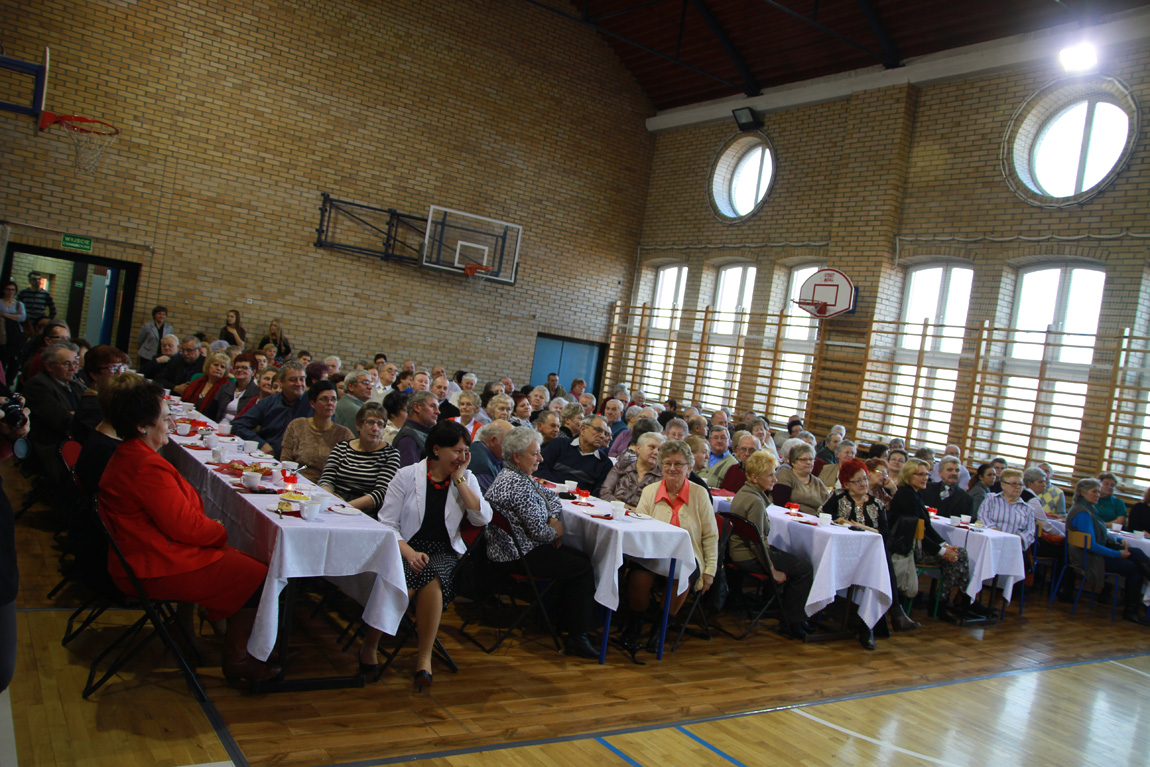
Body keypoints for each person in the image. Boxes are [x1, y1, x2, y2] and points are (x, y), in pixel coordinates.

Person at [97, 375, 278, 682]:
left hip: (142, 553)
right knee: (260, 576)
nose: (171, 423)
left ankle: (200, 627)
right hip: (151, 565)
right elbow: (187, 528)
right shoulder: (146, 466)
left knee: (245, 561)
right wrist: (219, 530)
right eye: (165, 418)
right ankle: (237, 660)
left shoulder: (132, 454)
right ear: (142, 426)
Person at [368, 421, 491, 689]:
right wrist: (409, 552)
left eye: (466, 451)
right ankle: (370, 645)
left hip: (443, 550)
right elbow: (387, 524)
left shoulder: (466, 478)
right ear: (436, 449)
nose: (462, 457)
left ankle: (424, 658)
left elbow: (482, 518)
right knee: (404, 575)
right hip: (405, 545)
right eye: (457, 451)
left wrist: (459, 480)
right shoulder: (406, 475)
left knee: (433, 576)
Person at [483, 426, 599, 658]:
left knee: (579, 559)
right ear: (517, 456)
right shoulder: (517, 484)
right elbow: (539, 532)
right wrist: (555, 533)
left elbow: (551, 497)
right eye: (535, 453)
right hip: (516, 555)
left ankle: (562, 622)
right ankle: (577, 635)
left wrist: (554, 519)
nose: (541, 458)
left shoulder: (515, 474)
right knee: (584, 566)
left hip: (514, 548)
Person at [621, 440, 718, 651]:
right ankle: (634, 625)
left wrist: (710, 571)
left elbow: (711, 536)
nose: (672, 468)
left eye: (678, 464)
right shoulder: (650, 491)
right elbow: (639, 527)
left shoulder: (700, 494)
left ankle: (660, 629)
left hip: (688, 556)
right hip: (653, 553)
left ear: (688, 468)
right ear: (661, 466)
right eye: (667, 463)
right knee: (639, 578)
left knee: (680, 577)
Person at [823, 458, 920, 647]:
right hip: (842, 554)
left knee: (876, 570)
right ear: (846, 484)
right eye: (858, 481)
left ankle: (867, 628)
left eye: (865, 479)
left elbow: (884, 534)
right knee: (881, 565)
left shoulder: (877, 504)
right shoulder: (838, 497)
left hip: (867, 556)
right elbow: (825, 515)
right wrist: (843, 522)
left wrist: (861, 527)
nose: (863, 484)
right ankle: (896, 612)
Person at [728, 449, 814, 640]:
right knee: (805, 568)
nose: (775, 479)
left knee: (790, 559)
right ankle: (793, 621)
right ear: (754, 477)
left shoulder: (744, 492)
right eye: (770, 475)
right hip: (748, 556)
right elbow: (757, 542)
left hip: (739, 553)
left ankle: (783, 610)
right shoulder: (755, 501)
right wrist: (772, 569)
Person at [887, 458, 972, 622]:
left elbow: (928, 528)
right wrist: (942, 551)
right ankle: (947, 604)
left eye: (926, 474)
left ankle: (950, 602)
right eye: (920, 474)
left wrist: (946, 546)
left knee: (957, 554)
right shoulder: (906, 495)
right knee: (958, 557)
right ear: (909, 475)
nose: (925, 478)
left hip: (916, 544)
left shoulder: (915, 494)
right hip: (906, 548)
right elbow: (915, 533)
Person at [1065, 477, 1150, 624]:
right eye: (1094, 492)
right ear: (1082, 492)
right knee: (1134, 569)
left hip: (1091, 554)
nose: (1098, 495)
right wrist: (1117, 554)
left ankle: (1132, 611)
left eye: (1099, 492)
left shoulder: (1088, 509)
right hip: (1089, 558)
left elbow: (1099, 534)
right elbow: (1091, 545)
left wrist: (1117, 541)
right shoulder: (1083, 513)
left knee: (1135, 551)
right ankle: (1131, 612)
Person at [318, 402, 400, 517]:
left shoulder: (390, 454)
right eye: (370, 422)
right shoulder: (342, 448)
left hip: (364, 511)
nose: (375, 428)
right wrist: (331, 501)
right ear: (358, 425)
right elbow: (326, 480)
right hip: (334, 503)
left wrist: (346, 506)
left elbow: (381, 493)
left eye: (380, 424)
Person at [231, 361, 314, 458]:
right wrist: (261, 444)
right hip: (267, 458)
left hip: (299, 460)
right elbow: (237, 425)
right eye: (293, 380)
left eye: (302, 379)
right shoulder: (268, 403)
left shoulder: (313, 405)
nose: (299, 383)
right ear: (281, 382)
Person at [25, 341, 85, 473]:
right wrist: (78, 416)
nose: (73, 369)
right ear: (49, 366)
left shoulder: (75, 384)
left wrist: (76, 415)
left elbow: (89, 411)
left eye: (75, 363)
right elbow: (63, 420)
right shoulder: (38, 385)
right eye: (67, 364)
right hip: (53, 447)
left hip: (74, 439)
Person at [280, 381, 353, 482]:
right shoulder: (297, 425)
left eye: (333, 399)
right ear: (312, 403)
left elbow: (348, 470)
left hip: (327, 485)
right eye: (324, 399)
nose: (330, 403)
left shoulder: (344, 434)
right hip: (297, 480)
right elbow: (285, 460)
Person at [536, 414, 613, 495]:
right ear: (583, 429)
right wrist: (557, 488)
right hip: (547, 492)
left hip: (578, 500)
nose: (602, 436)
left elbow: (597, 493)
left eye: (605, 433)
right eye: (598, 430)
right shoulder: (560, 444)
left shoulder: (605, 463)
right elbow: (540, 467)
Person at [72, 344, 129, 445]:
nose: (119, 373)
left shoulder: (107, 399)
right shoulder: (92, 407)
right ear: (94, 374)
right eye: (113, 368)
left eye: (121, 367)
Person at [600, 431, 664, 506]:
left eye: (660, 450)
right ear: (638, 448)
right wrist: (625, 508)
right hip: (613, 509)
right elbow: (605, 492)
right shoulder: (621, 467)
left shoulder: (662, 477)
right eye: (652, 447)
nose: (656, 452)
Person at [772, 442, 829, 515]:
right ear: (793, 462)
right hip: (791, 517)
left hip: (816, 518)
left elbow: (827, 507)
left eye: (811, 459)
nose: (809, 462)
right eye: (804, 460)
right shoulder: (786, 474)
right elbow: (781, 503)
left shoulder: (817, 482)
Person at [202, 352, 259, 424]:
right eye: (237, 367)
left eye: (244, 368)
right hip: (218, 426)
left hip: (237, 429)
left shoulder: (257, 393)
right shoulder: (225, 387)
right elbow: (211, 412)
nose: (239, 370)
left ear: (253, 372)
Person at [918, 455, 975, 521]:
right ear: (940, 472)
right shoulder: (925, 489)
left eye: (957, 470)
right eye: (950, 470)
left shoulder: (967, 499)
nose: (954, 473)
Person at [394, 390, 439, 467]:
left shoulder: (421, 433)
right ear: (417, 407)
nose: (438, 412)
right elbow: (408, 473)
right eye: (432, 406)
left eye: (438, 407)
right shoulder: (408, 439)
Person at [469, 419, 512, 492]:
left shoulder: (497, 455)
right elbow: (492, 498)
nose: (513, 448)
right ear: (493, 440)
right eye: (509, 443)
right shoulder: (481, 466)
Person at [0, 280, 26, 380]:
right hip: (2, 333)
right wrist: (14, 316)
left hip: (14, 335)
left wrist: (4, 314)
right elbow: (18, 316)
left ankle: (9, 381)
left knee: (14, 361)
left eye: (13, 290)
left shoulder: (19, 304)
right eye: (8, 289)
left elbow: (22, 317)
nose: (10, 292)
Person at [18, 271, 55, 337]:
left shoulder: (46, 294)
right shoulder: (23, 293)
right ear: (30, 281)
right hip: (25, 323)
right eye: (34, 279)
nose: (37, 281)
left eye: (38, 279)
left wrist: (47, 321)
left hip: (39, 324)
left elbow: (53, 310)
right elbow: (17, 307)